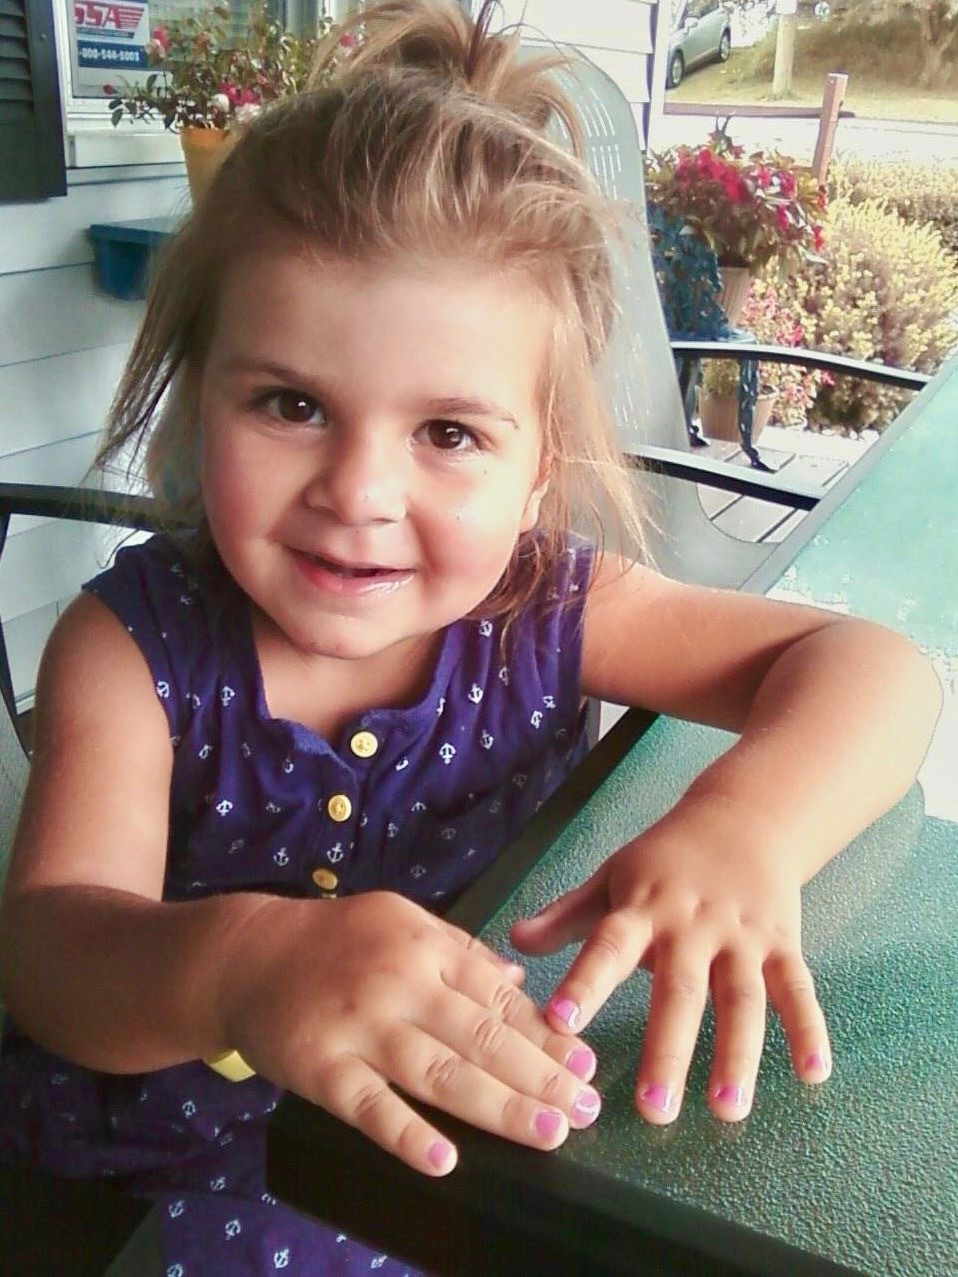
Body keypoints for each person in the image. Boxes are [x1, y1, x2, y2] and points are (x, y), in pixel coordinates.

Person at [0, 2, 941, 1273]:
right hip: (183, 1166)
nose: (360, 491)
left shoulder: (549, 607)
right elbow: (51, 951)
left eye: (447, 433)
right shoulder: (130, 647)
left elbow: (877, 671)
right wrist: (238, 961)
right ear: (192, 391)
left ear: (535, 462)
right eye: (291, 404)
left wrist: (745, 827)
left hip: (487, 1146)